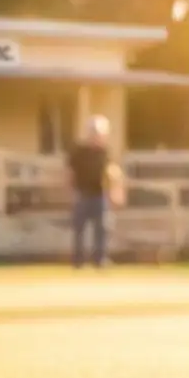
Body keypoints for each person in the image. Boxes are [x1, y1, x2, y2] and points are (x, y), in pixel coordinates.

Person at [68, 115, 113, 268]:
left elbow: (110, 172)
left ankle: (100, 259)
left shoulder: (105, 152)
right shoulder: (78, 152)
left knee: (102, 229)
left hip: (100, 194)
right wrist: (71, 190)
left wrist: (114, 190)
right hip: (82, 193)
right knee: (79, 229)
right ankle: (78, 260)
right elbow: (70, 172)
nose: (97, 137)